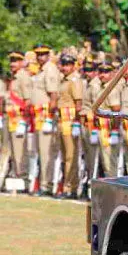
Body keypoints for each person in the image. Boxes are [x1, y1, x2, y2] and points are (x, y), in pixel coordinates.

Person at [30, 44, 60, 195]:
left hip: (45, 115)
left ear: (48, 55)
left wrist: (49, 118)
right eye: (38, 54)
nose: (40, 57)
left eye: (43, 54)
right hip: (38, 116)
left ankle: (45, 185)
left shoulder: (50, 68)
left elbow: (53, 94)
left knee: (46, 151)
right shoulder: (40, 69)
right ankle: (42, 183)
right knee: (40, 151)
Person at [55, 50, 83, 198]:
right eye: (63, 64)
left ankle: (70, 187)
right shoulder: (63, 80)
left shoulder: (74, 81)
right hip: (62, 120)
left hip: (71, 121)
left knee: (71, 157)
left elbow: (79, 104)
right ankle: (68, 185)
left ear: (73, 66)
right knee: (65, 155)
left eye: (68, 64)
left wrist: (77, 123)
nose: (65, 67)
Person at [97, 58, 123, 178]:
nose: (102, 74)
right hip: (103, 128)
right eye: (101, 71)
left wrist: (115, 131)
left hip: (109, 129)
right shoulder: (103, 86)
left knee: (110, 162)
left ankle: (113, 185)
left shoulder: (111, 88)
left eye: (106, 72)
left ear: (113, 73)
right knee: (105, 161)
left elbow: (116, 110)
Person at [8, 51, 31, 188]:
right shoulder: (14, 76)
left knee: (19, 150)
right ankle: (15, 175)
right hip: (10, 118)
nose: (12, 64)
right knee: (11, 149)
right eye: (11, 61)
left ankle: (22, 178)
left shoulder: (23, 77)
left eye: (16, 61)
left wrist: (24, 120)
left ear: (22, 63)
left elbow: (27, 101)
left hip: (18, 118)